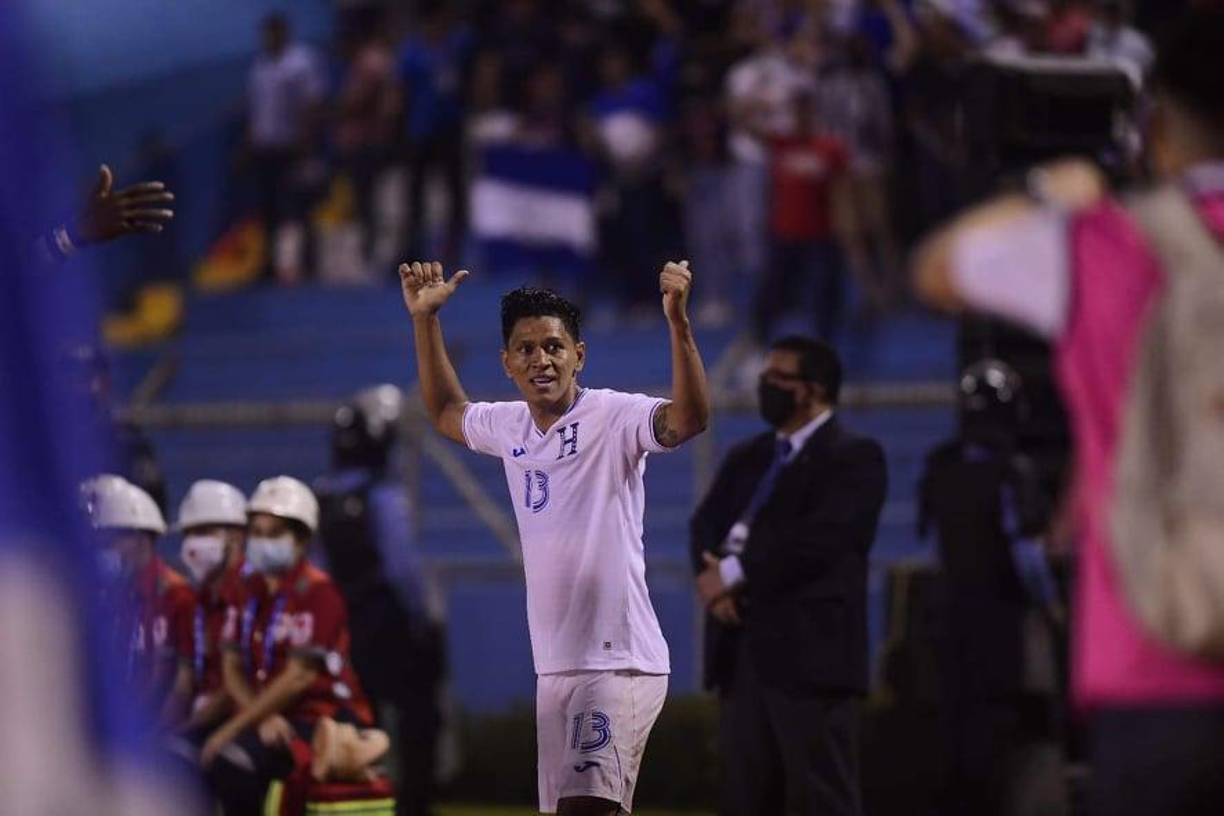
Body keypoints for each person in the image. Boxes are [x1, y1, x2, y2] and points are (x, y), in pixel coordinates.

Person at [911, 10, 1224, 814]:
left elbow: (938, 269)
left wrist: (1050, 189)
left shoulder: (1103, 243)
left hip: (1153, 667)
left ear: (1155, 126)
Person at [399, 259, 710, 816]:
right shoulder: (510, 425)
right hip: (556, 667)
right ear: (507, 364)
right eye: (526, 349)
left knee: (583, 809)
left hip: (617, 662)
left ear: (579, 355)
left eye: (553, 346)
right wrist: (425, 321)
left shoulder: (614, 416)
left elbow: (687, 419)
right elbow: (446, 411)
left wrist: (678, 324)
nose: (541, 359)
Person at [689, 336, 886, 816]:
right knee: (745, 795)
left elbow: (823, 541)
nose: (764, 387)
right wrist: (715, 590)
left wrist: (735, 573)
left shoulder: (854, 457)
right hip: (741, 649)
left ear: (812, 390)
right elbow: (705, 524)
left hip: (810, 657)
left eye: (777, 378)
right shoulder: (748, 456)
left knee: (821, 796)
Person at [917, 360, 1063, 816]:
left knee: (957, 733)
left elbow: (931, 545)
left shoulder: (940, 465)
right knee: (1009, 735)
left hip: (951, 619)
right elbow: (1027, 556)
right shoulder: (1011, 471)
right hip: (1002, 624)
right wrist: (1052, 607)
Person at [201, 476, 374, 815]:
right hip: (270, 713)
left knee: (231, 762)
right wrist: (259, 718)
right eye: (258, 532)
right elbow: (231, 667)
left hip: (323, 716)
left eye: (275, 533)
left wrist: (232, 729)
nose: (263, 541)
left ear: (302, 538)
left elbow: (299, 677)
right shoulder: (246, 590)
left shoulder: (318, 592)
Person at [316, 385, 446, 816]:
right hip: (390, 623)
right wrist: (426, 621)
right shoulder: (381, 494)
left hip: (345, 625)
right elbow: (402, 568)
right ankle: (413, 805)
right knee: (417, 723)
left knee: (358, 723)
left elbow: (320, 568)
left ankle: (364, 803)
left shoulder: (325, 496)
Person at [84, 474, 196, 727]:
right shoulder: (104, 597)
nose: (102, 548)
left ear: (141, 538)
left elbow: (181, 681)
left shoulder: (176, 595)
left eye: (110, 539)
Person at [752, 90, 851, 343]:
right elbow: (746, 125)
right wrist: (767, 104)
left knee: (823, 296)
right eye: (795, 113)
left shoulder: (830, 148)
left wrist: (845, 227)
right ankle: (758, 344)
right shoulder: (780, 144)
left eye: (805, 113)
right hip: (784, 233)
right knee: (771, 294)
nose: (800, 119)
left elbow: (842, 191)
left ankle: (824, 345)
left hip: (821, 233)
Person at [247, 12, 327, 281]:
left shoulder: (300, 63)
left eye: (272, 34)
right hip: (265, 148)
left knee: (298, 207)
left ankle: (309, 263)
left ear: (283, 33)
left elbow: (312, 104)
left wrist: (306, 142)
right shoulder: (260, 66)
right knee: (268, 210)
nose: (268, 39)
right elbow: (255, 109)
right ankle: (268, 264)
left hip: (292, 146)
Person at [170, 480, 251, 744]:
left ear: (237, 535)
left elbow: (238, 684)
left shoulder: (253, 593)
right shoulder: (198, 599)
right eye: (189, 533)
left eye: (205, 531)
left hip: (242, 721)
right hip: (204, 719)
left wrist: (187, 730)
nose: (194, 544)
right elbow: (186, 679)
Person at [398, 2, 474, 265]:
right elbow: (402, 91)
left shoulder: (458, 45)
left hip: (450, 128)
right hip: (421, 129)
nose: (438, 28)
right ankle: (413, 247)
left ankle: (455, 249)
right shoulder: (412, 51)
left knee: (455, 193)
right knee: (415, 193)